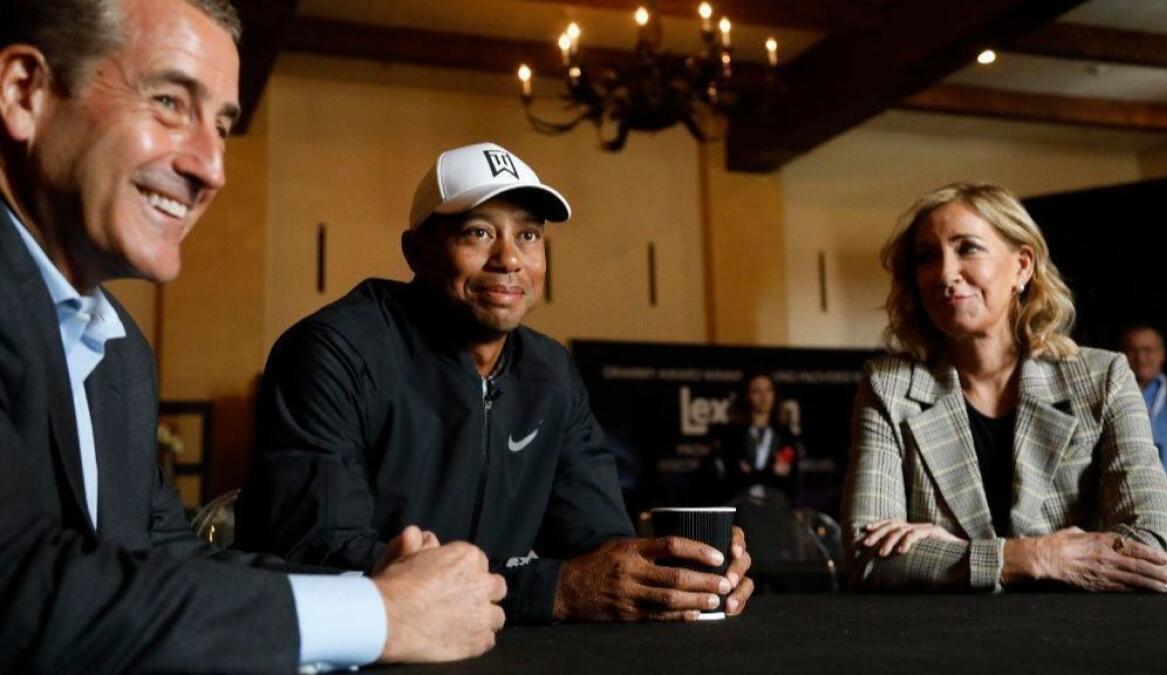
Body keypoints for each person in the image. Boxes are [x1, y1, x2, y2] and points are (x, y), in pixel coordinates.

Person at [0, 1, 503, 671]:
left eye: (224, 125)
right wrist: (381, 617)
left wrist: (371, 590)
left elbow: (156, 555)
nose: (212, 167)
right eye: (171, 102)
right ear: (23, 93)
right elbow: (18, 589)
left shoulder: (119, 347)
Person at [235, 142, 755, 623]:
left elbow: (596, 543)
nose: (508, 259)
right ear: (415, 252)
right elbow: (323, 555)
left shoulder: (551, 373)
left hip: (500, 646)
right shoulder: (333, 354)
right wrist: (553, 590)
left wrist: (673, 570)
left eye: (527, 235)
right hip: (356, 648)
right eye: (478, 232)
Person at [841, 181, 1167, 592]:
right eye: (927, 257)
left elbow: (1156, 552)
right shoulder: (888, 387)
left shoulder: (1103, 377)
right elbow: (868, 558)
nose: (945, 274)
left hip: (1078, 642)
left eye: (967, 248)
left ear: (1022, 266)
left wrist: (959, 556)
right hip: (941, 646)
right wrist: (1033, 556)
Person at [1120, 325, 1167, 504]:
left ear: (1162, 354)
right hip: (1134, 500)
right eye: (1132, 350)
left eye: (1148, 350)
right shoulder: (1112, 396)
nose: (1140, 358)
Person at [713, 372, 800, 503]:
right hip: (741, 504)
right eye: (757, 391)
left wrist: (751, 474)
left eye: (768, 390)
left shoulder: (785, 435)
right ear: (747, 395)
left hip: (776, 506)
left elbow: (791, 482)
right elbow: (731, 480)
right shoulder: (732, 435)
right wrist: (772, 471)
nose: (764, 397)